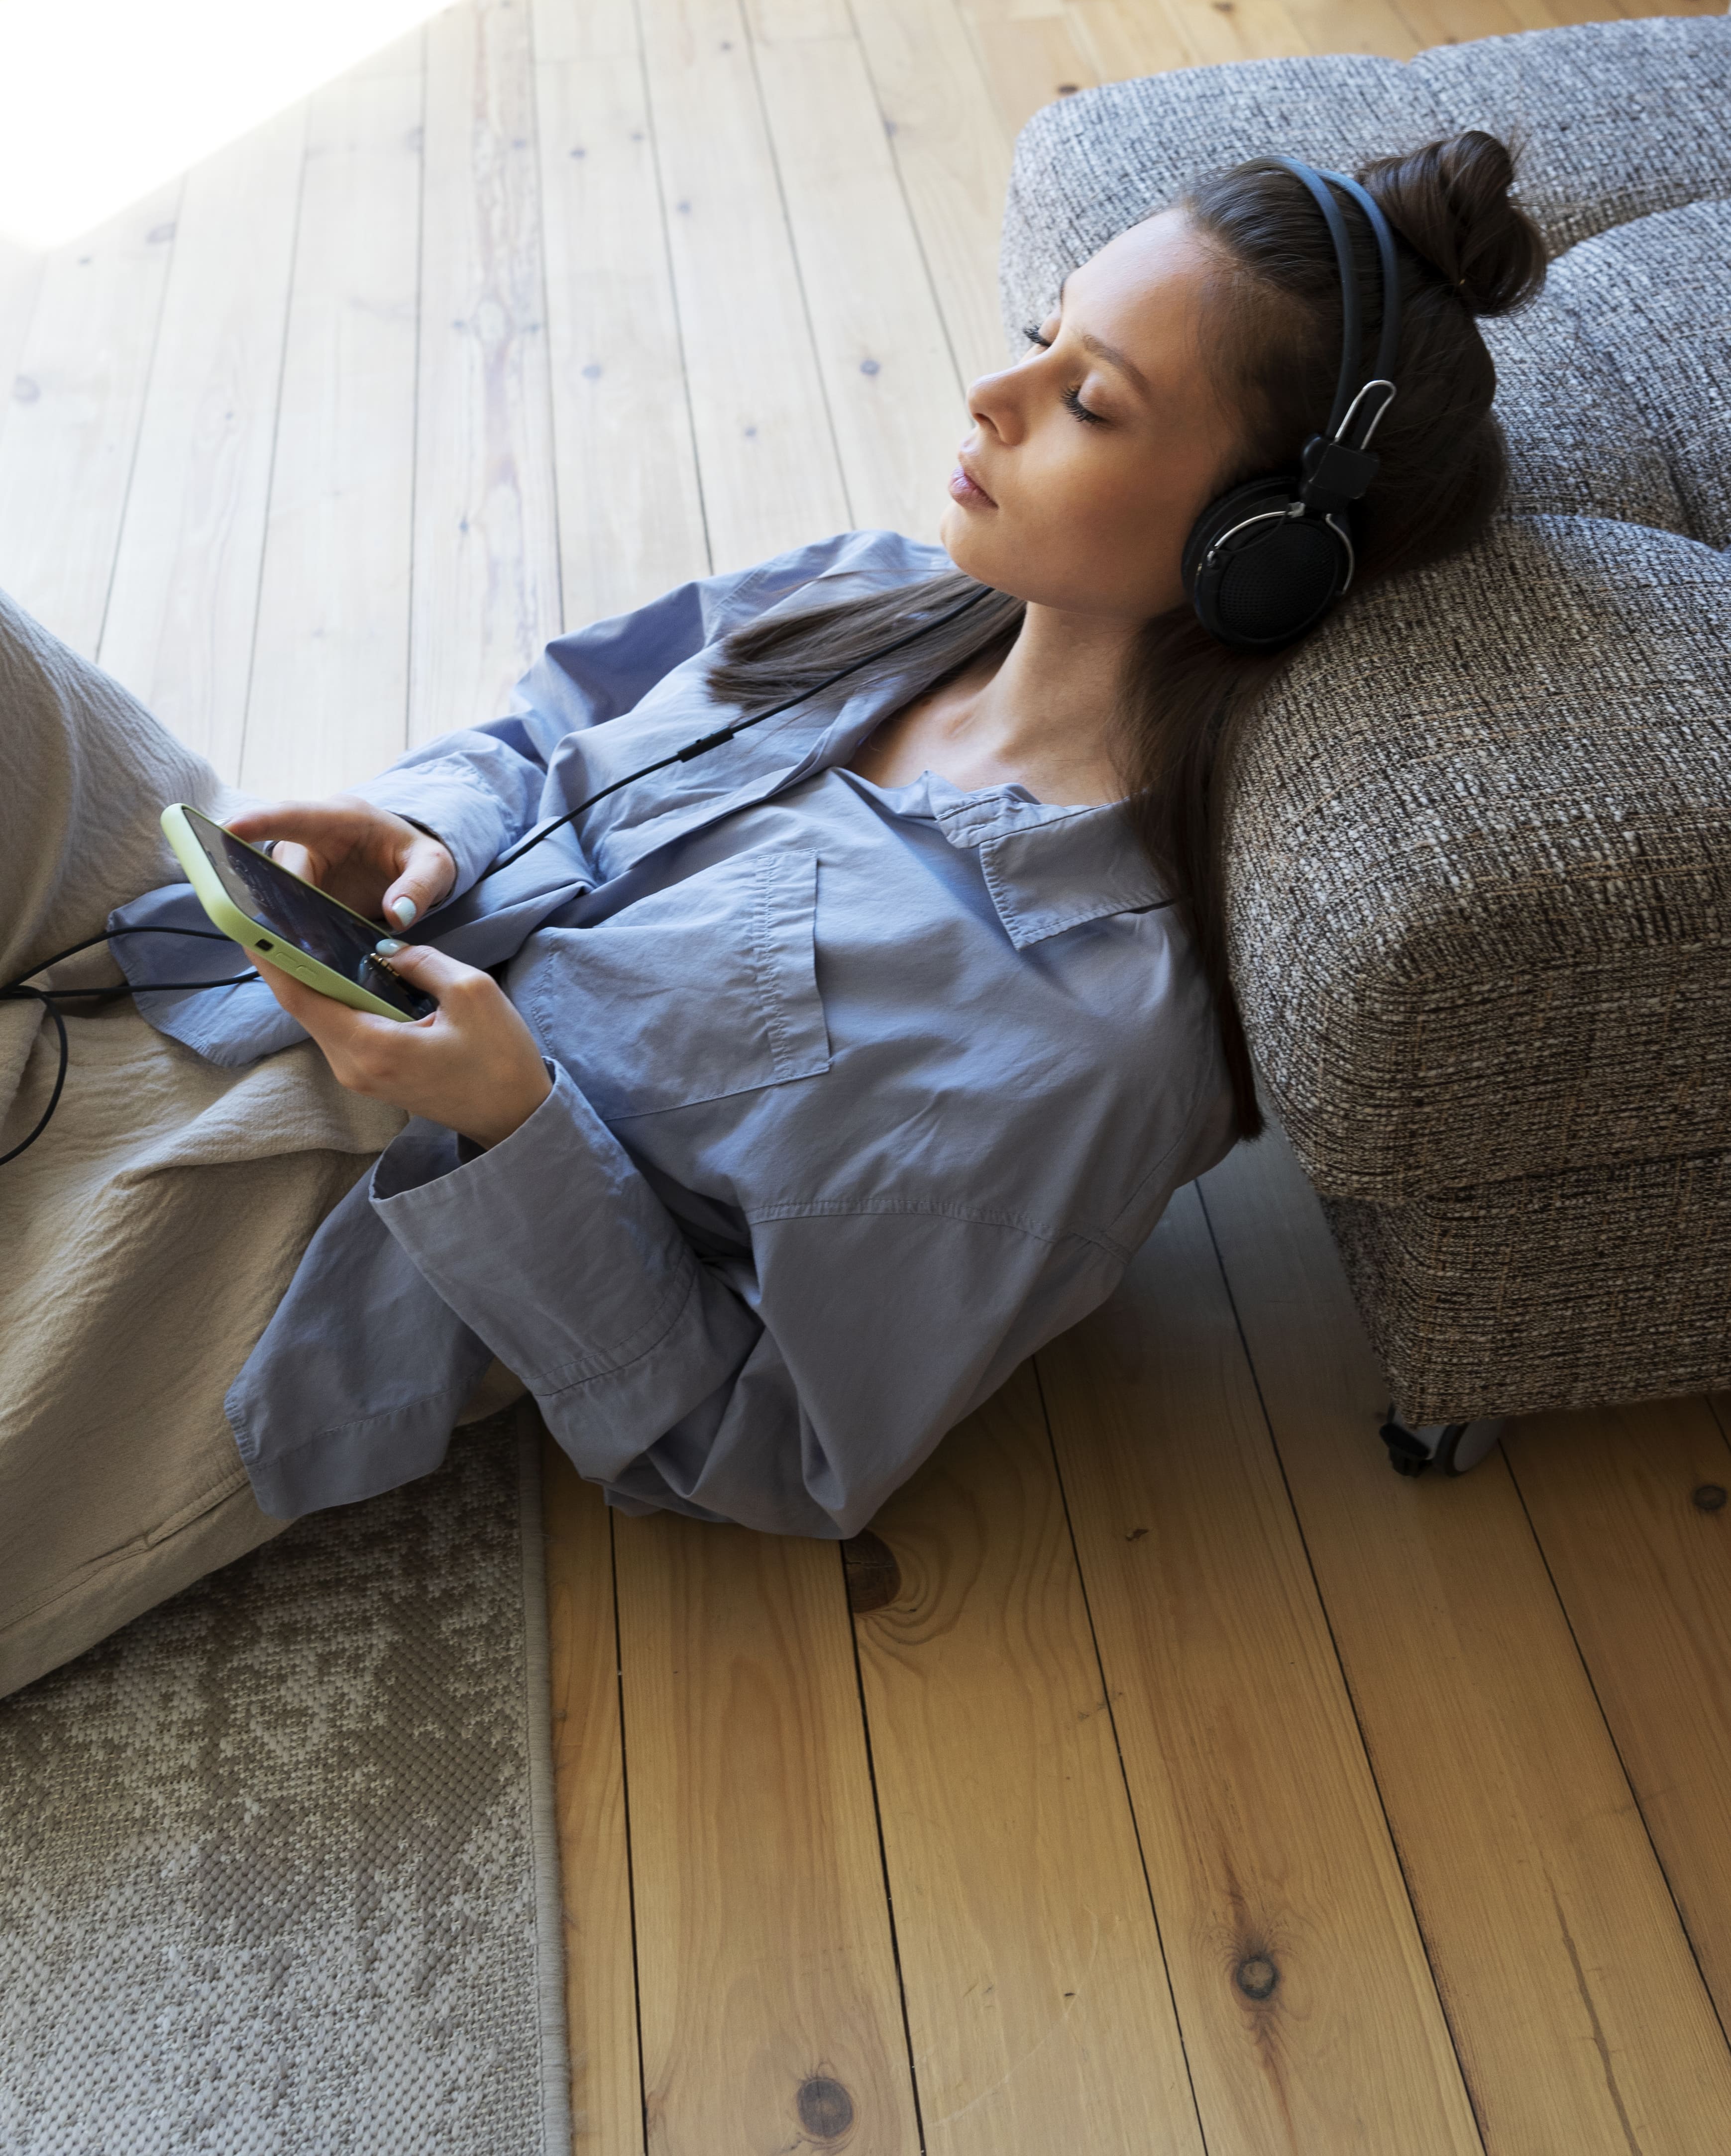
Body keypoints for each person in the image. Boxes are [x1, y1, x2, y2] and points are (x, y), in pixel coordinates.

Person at [0, 130, 1545, 1697]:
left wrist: (516, 1127)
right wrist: (431, 828)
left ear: (1260, 553)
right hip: (204, 930)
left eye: (1089, 402)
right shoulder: (875, 591)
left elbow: (774, 1445)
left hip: (268, 1233)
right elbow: (554, 716)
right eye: (1041, 342)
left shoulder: (1075, 1035)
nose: (992, 401)